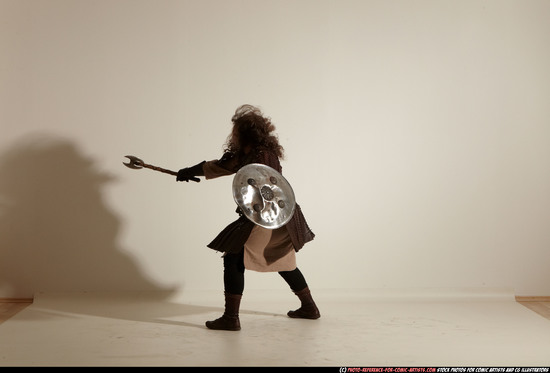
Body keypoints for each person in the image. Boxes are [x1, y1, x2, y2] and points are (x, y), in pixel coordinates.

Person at [176, 104, 319, 331]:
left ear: (243, 133)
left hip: (270, 215)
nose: (232, 134)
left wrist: (187, 172)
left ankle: (231, 318)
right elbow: (219, 166)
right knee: (282, 261)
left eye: (235, 131)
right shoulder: (249, 154)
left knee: (234, 256)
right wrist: (186, 171)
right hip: (283, 218)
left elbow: (267, 187)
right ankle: (309, 307)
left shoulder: (261, 156)